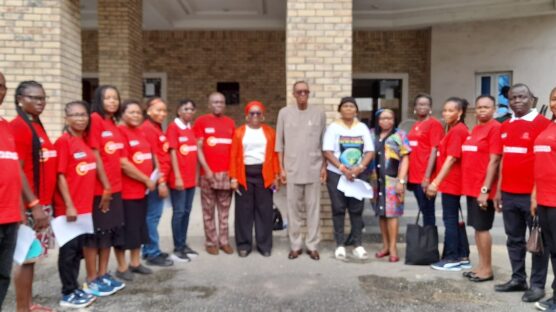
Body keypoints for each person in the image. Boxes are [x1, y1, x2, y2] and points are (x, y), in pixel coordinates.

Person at [494, 83, 550, 303]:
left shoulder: (543, 124)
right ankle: (518, 278)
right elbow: (503, 159)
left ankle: (537, 286)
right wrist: (498, 190)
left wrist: (537, 195)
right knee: (513, 239)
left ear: (532, 99)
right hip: (508, 193)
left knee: (537, 241)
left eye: (522, 97)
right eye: (513, 97)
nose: (517, 101)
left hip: (533, 196)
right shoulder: (505, 125)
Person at [11, 80, 57, 312]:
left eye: (43, 98)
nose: (41, 102)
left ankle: (28, 304)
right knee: (24, 257)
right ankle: (22, 308)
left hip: (41, 202)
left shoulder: (35, 125)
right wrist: (32, 207)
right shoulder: (18, 127)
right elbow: (16, 172)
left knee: (31, 258)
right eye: (34, 98)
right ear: (20, 99)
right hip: (29, 205)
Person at [275, 81, 327, 261]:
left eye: (305, 91)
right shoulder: (284, 113)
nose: (302, 94)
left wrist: (324, 167)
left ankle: (312, 245)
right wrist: (281, 168)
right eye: (299, 92)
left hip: (313, 168)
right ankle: (295, 246)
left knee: (313, 210)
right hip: (291, 169)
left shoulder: (319, 113)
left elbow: (324, 143)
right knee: (293, 209)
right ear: (293, 94)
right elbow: (279, 143)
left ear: (309, 93)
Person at [53, 101, 98, 308]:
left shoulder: (85, 141)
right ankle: (67, 293)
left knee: (78, 251)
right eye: (75, 115)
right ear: (66, 118)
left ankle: (75, 287)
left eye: (84, 114)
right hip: (68, 209)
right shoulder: (64, 142)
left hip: (84, 208)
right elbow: (60, 175)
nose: (81, 118)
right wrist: (69, 205)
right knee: (69, 252)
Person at [84, 85, 126, 295]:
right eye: (107, 98)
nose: (112, 101)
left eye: (115, 98)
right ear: (99, 100)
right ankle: (91, 278)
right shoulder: (96, 120)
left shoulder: (113, 123)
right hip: (100, 188)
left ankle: (103, 274)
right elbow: (95, 153)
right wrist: (106, 186)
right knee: (95, 235)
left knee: (108, 233)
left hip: (115, 187)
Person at [322, 97, 374, 260]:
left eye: (352, 106)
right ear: (340, 109)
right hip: (337, 174)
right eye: (345, 106)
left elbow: (369, 151)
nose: (349, 109)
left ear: (356, 110)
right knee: (338, 209)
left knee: (356, 209)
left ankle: (358, 244)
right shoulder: (333, 128)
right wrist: (342, 168)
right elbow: (327, 151)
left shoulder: (362, 127)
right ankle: (340, 245)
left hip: (358, 174)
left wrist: (359, 168)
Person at [229, 101, 280, 257]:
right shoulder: (239, 132)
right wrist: (233, 177)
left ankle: (264, 244)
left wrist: (276, 175)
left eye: (258, 113)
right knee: (243, 212)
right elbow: (233, 156)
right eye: (252, 113)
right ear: (247, 116)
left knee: (264, 211)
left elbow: (275, 155)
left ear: (263, 116)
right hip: (244, 174)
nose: (255, 116)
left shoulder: (270, 132)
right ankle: (244, 244)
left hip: (264, 174)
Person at [460, 95, 502, 282]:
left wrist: (485, 191)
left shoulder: (495, 129)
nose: (482, 110)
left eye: (486, 107)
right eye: (479, 107)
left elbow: (494, 161)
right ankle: (481, 265)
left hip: (483, 190)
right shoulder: (476, 129)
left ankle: (487, 270)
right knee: (477, 228)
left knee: (483, 228)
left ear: (495, 109)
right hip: (471, 187)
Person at [426, 97, 470, 271]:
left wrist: (435, 182)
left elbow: (451, 159)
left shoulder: (458, 131)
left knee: (450, 220)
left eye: (451, 110)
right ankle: (463, 255)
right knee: (455, 219)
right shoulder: (454, 129)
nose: (446, 113)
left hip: (452, 181)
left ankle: (451, 257)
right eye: (444, 110)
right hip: (451, 181)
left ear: (460, 113)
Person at [0, 72, 32, 310]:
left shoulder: (5, 126)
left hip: (10, 215)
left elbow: (15, 170)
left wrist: (21, 208)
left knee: (2, 275)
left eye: (1, 86)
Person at [114, 100, 156, 281]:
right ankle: (122, 267)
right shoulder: (119, 133)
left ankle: (136, 263)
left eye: (138, 112)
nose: (136, 115)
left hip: (142, 191)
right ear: (122, 114)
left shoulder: (140, 132)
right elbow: (123, 164)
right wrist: (146, 179)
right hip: (127, 192)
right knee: (125, 231)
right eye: (131, 112)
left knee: (138, 228)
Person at [193, 92, 236, 255]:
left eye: (221, 102)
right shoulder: (201, 122)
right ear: (209, 104)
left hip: (226, 174)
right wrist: (207, 170)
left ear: (224, 105)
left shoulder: (230, 123)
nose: (218, 104)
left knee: (224, 211)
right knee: (208, 210)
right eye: (215, 102)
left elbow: (234, 151)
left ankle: (224, 241)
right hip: (208, 174)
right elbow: (198, 148)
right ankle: (211, 242)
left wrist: (233, 173)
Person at [371, 108, 410, 263]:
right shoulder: (372, 134)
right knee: (381, 214)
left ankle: (393, 248)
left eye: (390, 118)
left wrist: (401, 181)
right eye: (383, 118)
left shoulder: (400, 135)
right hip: (375, 181)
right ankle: (385, 246)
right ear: (377, 120)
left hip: (392, 181)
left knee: (392, 215)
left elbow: (406, 158)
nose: (386, 121)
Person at [140, 97, 173, 266]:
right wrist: (161, 182)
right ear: (148, 111)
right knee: (152, 217)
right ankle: (152, 252)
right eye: (157, 110)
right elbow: (155, 158)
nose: (162, 114)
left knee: (151, 217)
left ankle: (148, 249)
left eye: (164, 111)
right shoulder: (148, 129)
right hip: (155, 180)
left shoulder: (156, 128)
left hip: (160, 178)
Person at [533, 87, 556, 312]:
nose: (555, 103)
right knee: (552, 249)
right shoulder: (550, 126)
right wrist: (534, 196)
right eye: (553, 98)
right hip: (544, 199)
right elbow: (539, 168)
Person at [167, 99, 199, 261]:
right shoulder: (173, 128)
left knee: (186, 212)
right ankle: (177, 248)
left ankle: (183, 243)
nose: (189, 111)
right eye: (185, 109)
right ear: (178, 111)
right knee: (179, 212)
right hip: (178, 179)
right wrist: (178, 176)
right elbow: (172, 152)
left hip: (190, 180)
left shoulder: (189, 128)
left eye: (192, 109)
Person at [407, 93, 444, 226]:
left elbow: (435, 150)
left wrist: (427, 178)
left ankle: (430, 245)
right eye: (420, 104)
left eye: (426, 104)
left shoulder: (434, 124)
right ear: (415, 107)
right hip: (414, 175)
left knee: (428, 212)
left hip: (425, 176)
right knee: (423, 210)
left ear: (430, 108)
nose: (422, 107)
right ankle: (426, 242)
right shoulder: (416, 124)